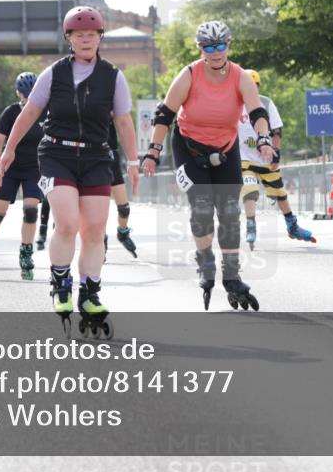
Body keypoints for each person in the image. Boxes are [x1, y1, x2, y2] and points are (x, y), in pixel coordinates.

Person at [0, 6, 138, 338]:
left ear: (100, 37)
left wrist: (133, 161)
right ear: (70, 39)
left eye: (92, 34)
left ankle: (90, 293)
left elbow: (122, 121)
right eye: (79, 35)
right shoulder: (54, 74)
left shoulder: (113, 76)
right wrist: (9, 149)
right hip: (56, 153)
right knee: (67, 222)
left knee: (94, 230)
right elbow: (31, 111)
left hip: (95, 157)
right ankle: (60, 282)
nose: (86, 39)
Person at [140, 21, 274, 311]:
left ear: (229, 45)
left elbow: (257, 111)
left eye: (221, 46)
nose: (215, 52)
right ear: (200, 49)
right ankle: (205, 260)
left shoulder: (240, 76)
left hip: (225, 149)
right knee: (201, 206)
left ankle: (233, 276)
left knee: (228, 211)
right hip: (189, 148)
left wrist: (264, 137)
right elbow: (165, 115)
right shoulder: (190, 74)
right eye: (208, 47)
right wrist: (152, 152)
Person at [0, 71, 48, 275]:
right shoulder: (10, 112)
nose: (27, 98)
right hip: (10, 168)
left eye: (31, 93)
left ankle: (26, 251)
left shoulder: (46, 112)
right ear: (18, 93)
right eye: (24, 94)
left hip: (34, 169)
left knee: (31, 209)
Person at [238, 69, 315, 249]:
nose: (252, 89)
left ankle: (292, 226)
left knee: (279, 193)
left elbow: (276, 131)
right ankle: (251, 225)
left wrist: (276, 152)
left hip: (265, 157)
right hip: (243, 158)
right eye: (248, 86)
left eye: (254, 86)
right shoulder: (234, 104)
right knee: (250, 190)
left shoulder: (265, 102)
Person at [104, 122, 137, 257]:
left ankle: (122, 233)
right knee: (98, 209)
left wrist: (132, 161)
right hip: (90, 156)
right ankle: (100, 240)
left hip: (111, 156)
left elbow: (124, 126)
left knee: (124, 209)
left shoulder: (111, 101)